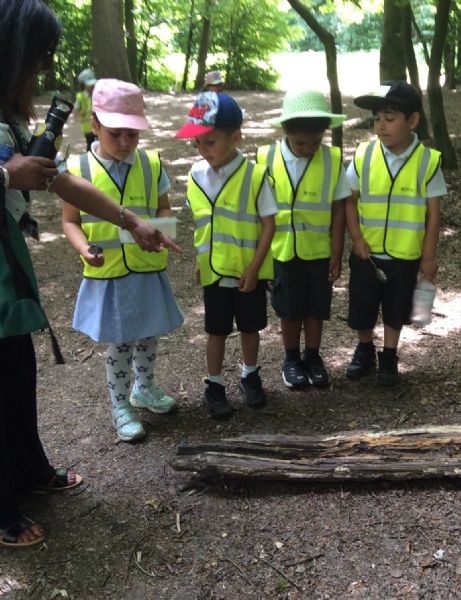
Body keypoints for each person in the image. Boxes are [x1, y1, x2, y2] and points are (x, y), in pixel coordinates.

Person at [0, 0, 178, 548]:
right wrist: (4, 175)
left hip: (6, 259)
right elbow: (23, 179)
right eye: (36, 60)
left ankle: (27, 470)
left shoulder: (9, 115)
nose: (40, 73)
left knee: (16, 368)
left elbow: (59, 183)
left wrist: (132, 221)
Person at [62, 78, 184, 443]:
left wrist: (162, 228)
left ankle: (143, 388)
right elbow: (70, 221)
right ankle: (120, 405)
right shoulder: (77, 169)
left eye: (133, 134)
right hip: (110, 273)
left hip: (145, 267)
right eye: (116, 133)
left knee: (148, 333)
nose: (126, 142)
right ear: (95, 125)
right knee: (119, 341)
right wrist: (83, 248)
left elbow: (163, 207)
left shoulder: (150, 164)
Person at [176, 91, 276, 418]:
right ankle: (215, 384)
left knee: (250, 328)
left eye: (210, 142)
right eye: (197, 143)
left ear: (236, 137)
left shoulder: (255, 176)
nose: (203, 150)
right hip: (214, 273)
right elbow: (204, 225)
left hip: (247, 272)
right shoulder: (196, 176)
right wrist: (199, 261)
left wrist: (256, 267)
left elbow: (269, 224)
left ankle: (250, 375)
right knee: (216, 330)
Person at [345, 80, 447, 386]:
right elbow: (349, 200)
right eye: (377, 118)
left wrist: (428, 257)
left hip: (404, 255)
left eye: (389, 119)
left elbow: (433, 215)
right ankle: (364, 348)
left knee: (395, 308)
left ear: (412, 120)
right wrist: (356, 238)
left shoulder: (427, 161)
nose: (380, 126)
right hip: (367, 253)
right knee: (362, 306)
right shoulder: (364, 155)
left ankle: (389, 356)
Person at [258, 90, 350, 389]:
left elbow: (338, 209)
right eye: (301, 143)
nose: (308, 149)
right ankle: (291, 359)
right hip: (281, 252)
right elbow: (258, 210)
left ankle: (313, 356)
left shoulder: (332, 160)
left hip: (318, 251)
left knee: (315, 308)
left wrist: (336, 252)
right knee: (289, 310)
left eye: (315, 142)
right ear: (285, 130)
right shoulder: (266, 158)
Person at [73, 68, 96, 151]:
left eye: (93, 84)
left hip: (98, 125)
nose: (92, 86)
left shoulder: (96, 94)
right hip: (87, 127)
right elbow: (75, 112)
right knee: (90, 144)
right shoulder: (80, 97)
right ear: (84, 85)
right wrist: (82, 113)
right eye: (90, 84)